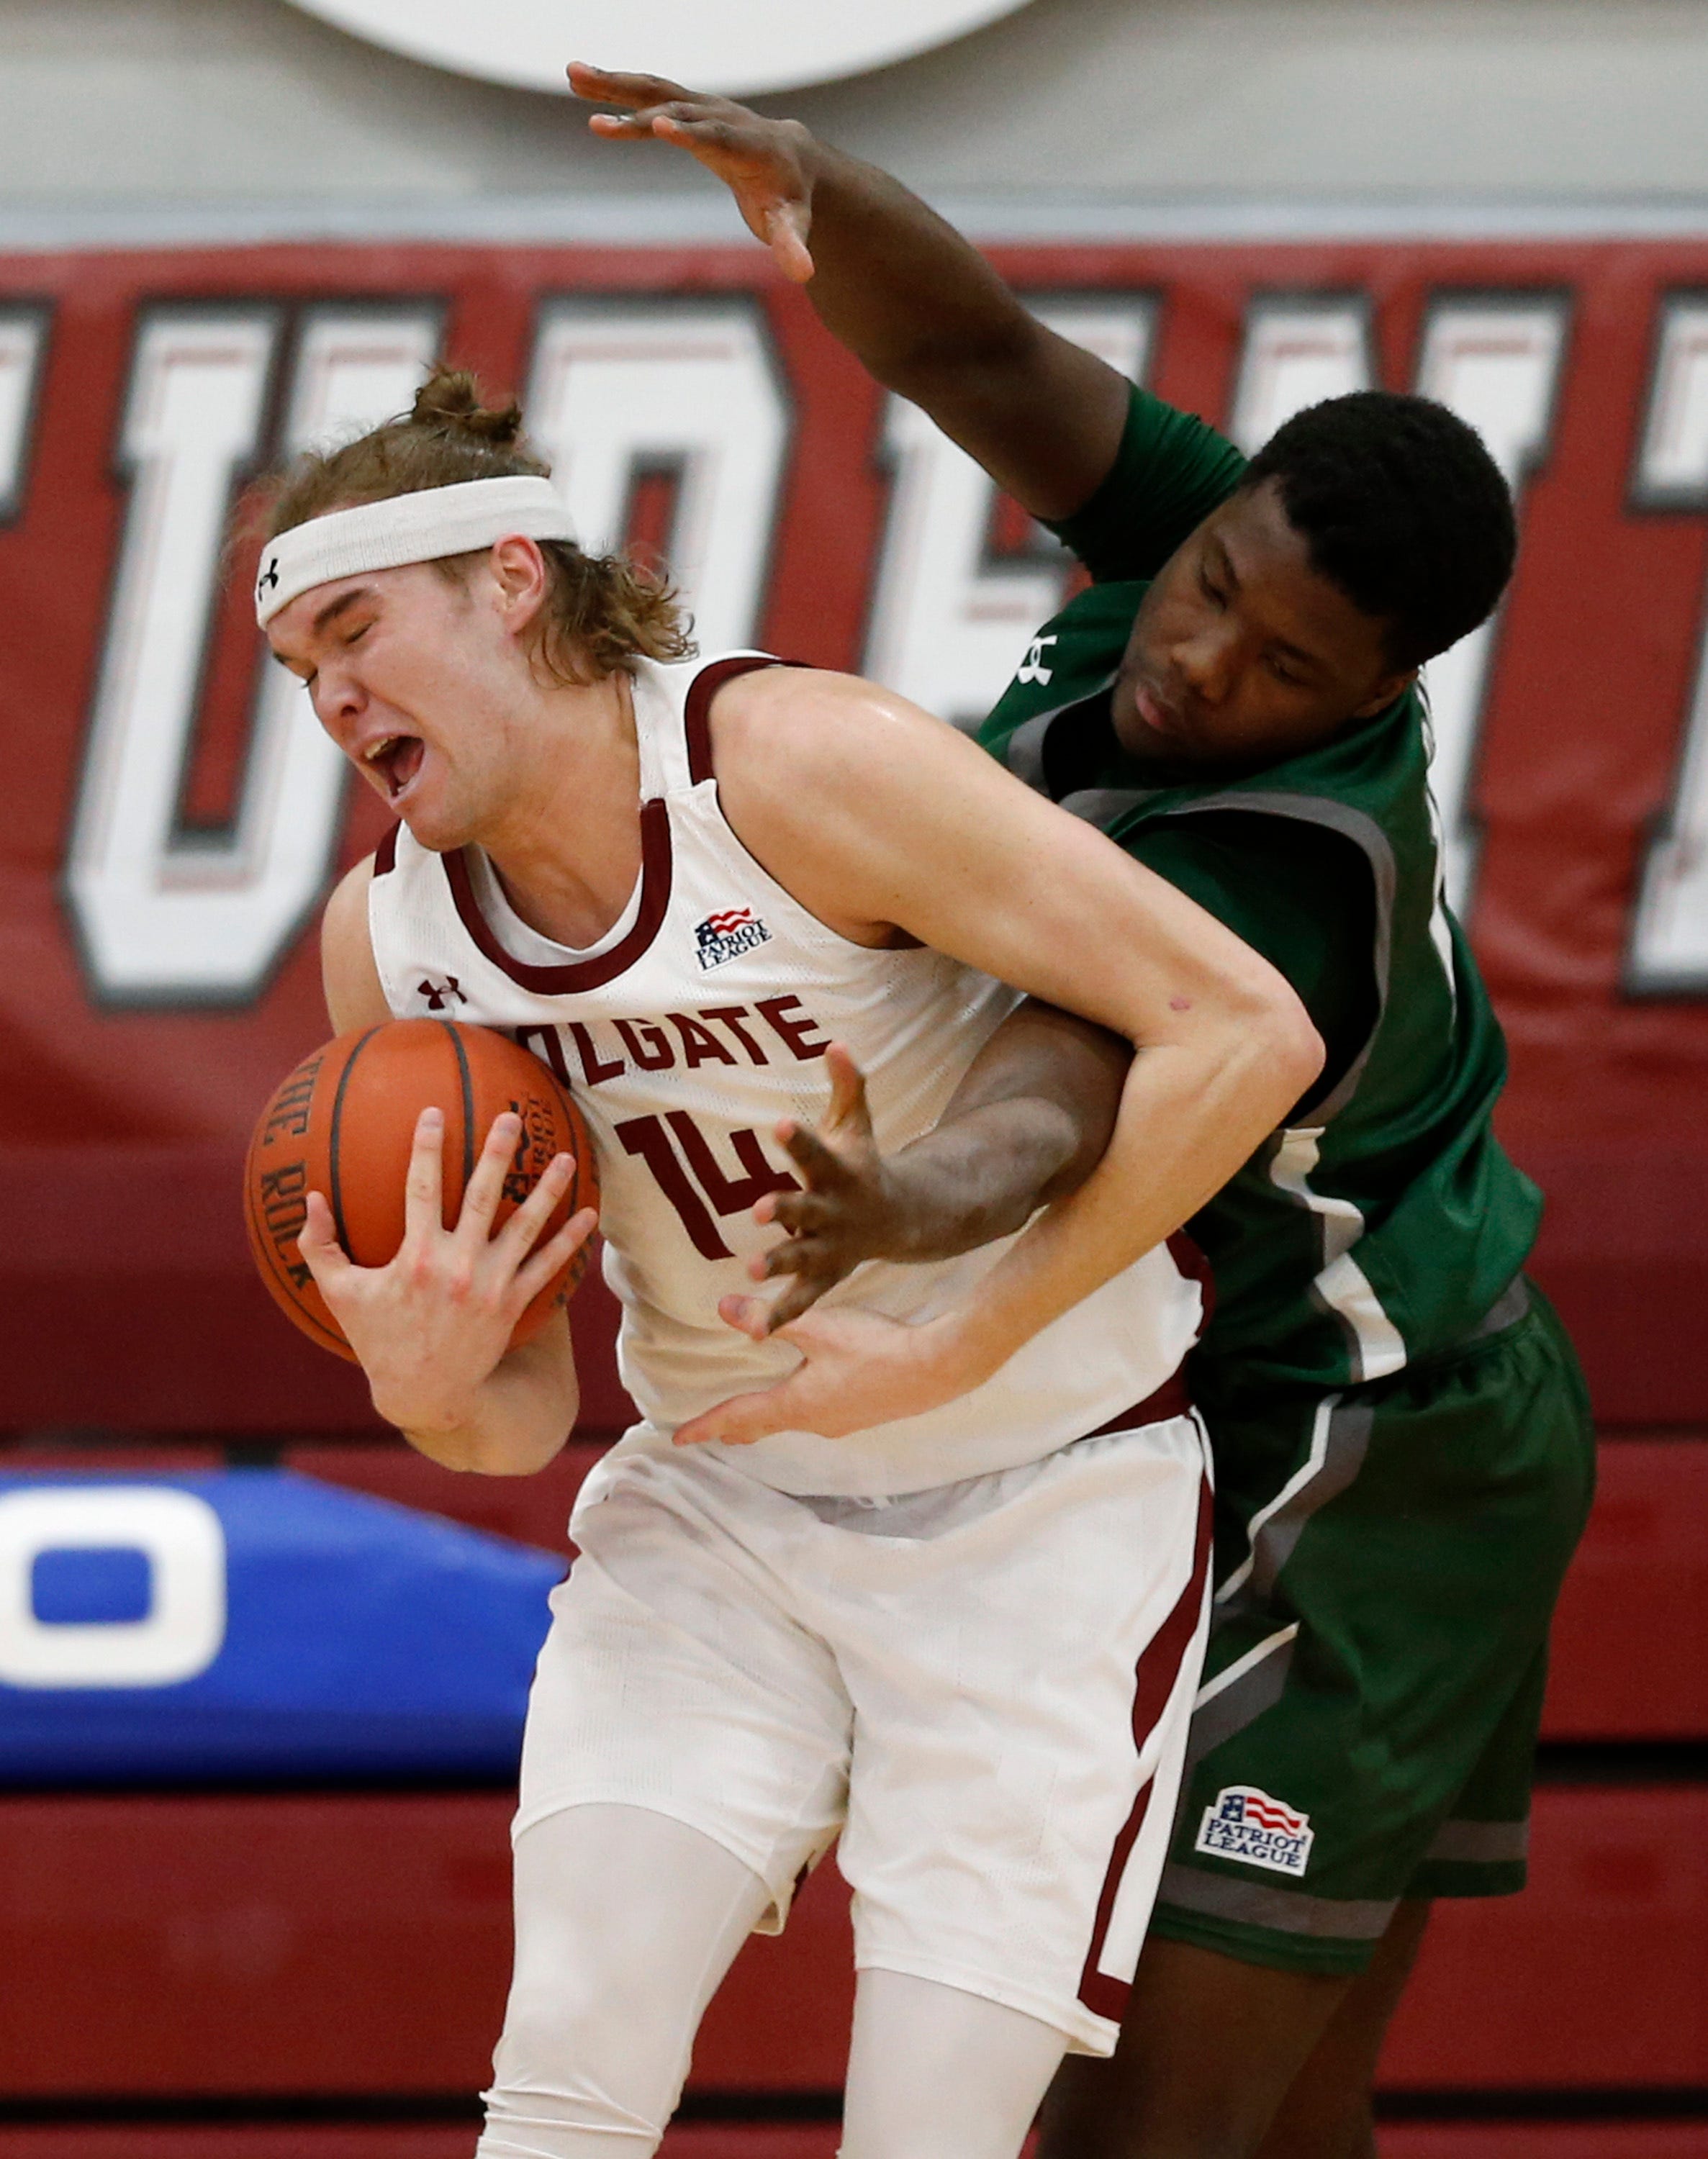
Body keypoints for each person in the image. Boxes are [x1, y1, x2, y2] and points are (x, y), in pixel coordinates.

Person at [571, 65, 1599, 2159]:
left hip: (1367, 1452)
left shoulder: (1285, 859)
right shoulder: (1210, 553)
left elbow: (1048, 1099)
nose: (1202, 661)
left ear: (1380, 692)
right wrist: (810, 186)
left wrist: (903, 1199)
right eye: (1212, 582)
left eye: (1281, 660)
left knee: (1124, 2130)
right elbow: (974, 353)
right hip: (1295, 1401)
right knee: (1269, 2127)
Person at [256, 369, 1319, 2159]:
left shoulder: (796, 766)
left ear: (512, 578)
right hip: (722, 1515)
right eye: (297, 671)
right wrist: (425, 1381)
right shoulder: (394, 944)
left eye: (355, 628)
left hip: (1037, 1511)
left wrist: (960, 1340)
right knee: (563, 2083)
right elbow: (513, 1426)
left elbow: (1239, 1031)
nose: (331, 695)